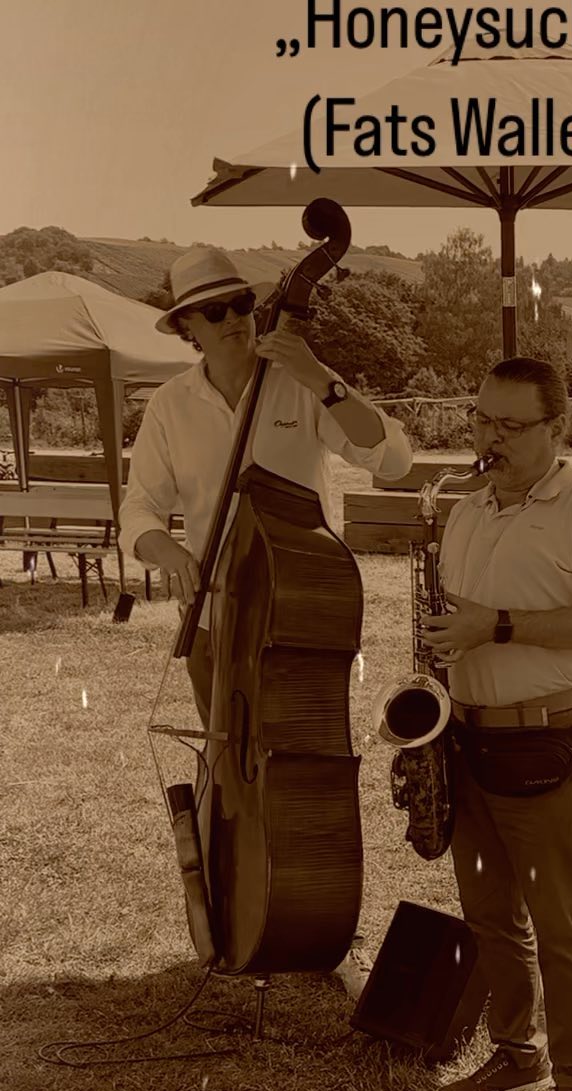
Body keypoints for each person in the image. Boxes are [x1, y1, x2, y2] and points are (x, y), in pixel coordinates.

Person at [118, 242, 412, 992]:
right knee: (230, 775)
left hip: (296, 616)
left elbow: (392, 460)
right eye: (213, 313)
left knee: (304, 778)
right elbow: (140, 509)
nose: (234, 321)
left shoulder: (299, 384)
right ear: (189, 326)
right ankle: (237, 919)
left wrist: (321, 376)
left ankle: (317, 930)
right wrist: (168, 553)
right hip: (215, 621)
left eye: (241, 304)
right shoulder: (171, 406)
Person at [422, 357, 572, 1091]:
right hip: (465, 734)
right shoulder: (466, 509)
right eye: (481, 419)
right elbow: (451, 619)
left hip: (544, 737)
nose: (491, 437)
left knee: (558, 926)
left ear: (559, 429)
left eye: (512, 425)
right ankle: (516, 1055)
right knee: (489, 916)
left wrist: (497, 627)